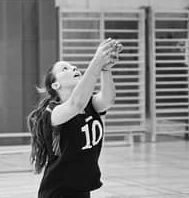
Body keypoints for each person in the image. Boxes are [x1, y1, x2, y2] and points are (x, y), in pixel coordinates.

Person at [27, 38, 122, 198]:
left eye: (73, 66)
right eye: (65, 69)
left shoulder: (89, 103)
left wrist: (105, 69)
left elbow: (108, 99)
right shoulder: (52, 112)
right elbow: (75, 105)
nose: (73, 68)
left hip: (82, 188)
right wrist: (97, 61)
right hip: (57, 192)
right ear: (56, 85)